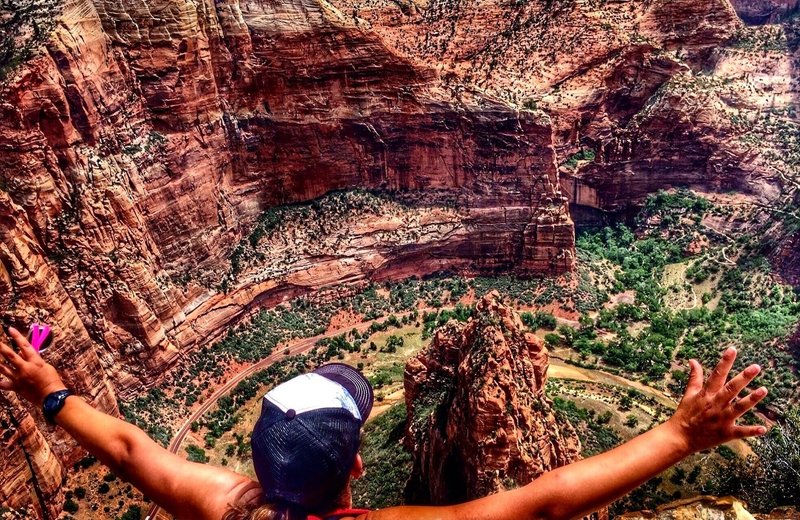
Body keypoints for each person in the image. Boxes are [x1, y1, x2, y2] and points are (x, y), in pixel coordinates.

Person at [0, 326, 769, 520]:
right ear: (358, 467)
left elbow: (134, 451)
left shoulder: (222, 505)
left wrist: (52, 394)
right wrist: (681, 435)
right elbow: (550, 500)